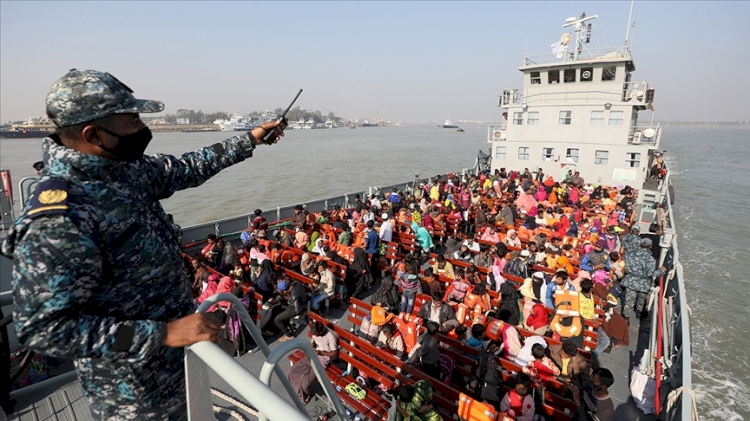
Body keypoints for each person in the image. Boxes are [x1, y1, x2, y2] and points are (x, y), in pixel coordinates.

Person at [1, 69, 286, 419]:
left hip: (174, 367)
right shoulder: (62, 215)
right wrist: (162, 334)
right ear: (94, 134)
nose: (142, 128)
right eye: (132, 120)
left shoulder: (121, 168)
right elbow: (44, 328)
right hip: (133, 394)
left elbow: (184, 168)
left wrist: (249, 141)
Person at [287, 322, 338, 404]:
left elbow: (334, 353)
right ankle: (295, 389)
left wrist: (322, 352)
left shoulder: (330, 337)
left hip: (321, 361)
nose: (316, 336)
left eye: (317, 335)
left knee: (305, 384)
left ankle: (307, 394)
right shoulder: (316, 333)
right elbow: (315, 340)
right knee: (292, 371)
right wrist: (313, 344)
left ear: (321, 331)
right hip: (311, 355)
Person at [621, 238, 666, 322]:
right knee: (641, 302)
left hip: (630, 281)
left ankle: (626, 319)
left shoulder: (630, 255)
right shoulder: (651, 260)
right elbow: (650, 274)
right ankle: (639, 315)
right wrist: (661, 271)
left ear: (640, 245)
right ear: (650, 247)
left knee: (629, 302)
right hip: (644, 284)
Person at [273, 278, 308, 342]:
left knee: (277, 320)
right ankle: (287, 326)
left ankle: (289, 335)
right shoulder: (296, 283)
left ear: (284, 291)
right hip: (300, 301)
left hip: (294, 308)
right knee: (277, 308)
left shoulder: (293, 296)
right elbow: (295, 281)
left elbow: (297, 310)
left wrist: (289, 298)